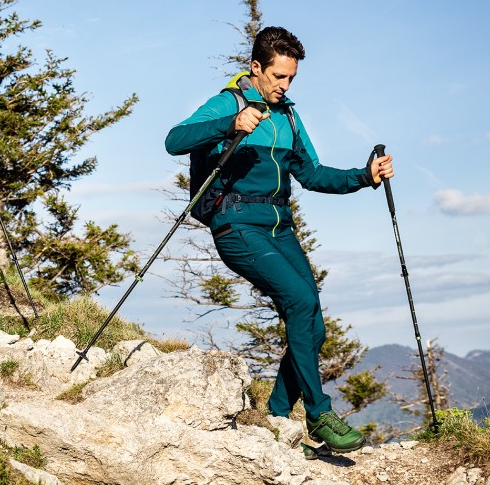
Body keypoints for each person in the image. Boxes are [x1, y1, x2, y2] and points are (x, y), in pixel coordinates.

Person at [165, 26, 393, 454]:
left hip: (280, 227)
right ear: (257, 68)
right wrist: (230, 123)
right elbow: (174, 140)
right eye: (279, 77)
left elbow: (311, 174)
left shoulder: (287, 115)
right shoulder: (229, 102)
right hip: (237, 226)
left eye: (291, 78)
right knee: (301, 303)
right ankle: (319, 413)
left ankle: (275, 418)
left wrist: (365, 177)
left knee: (314, 324)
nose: (285, 86)